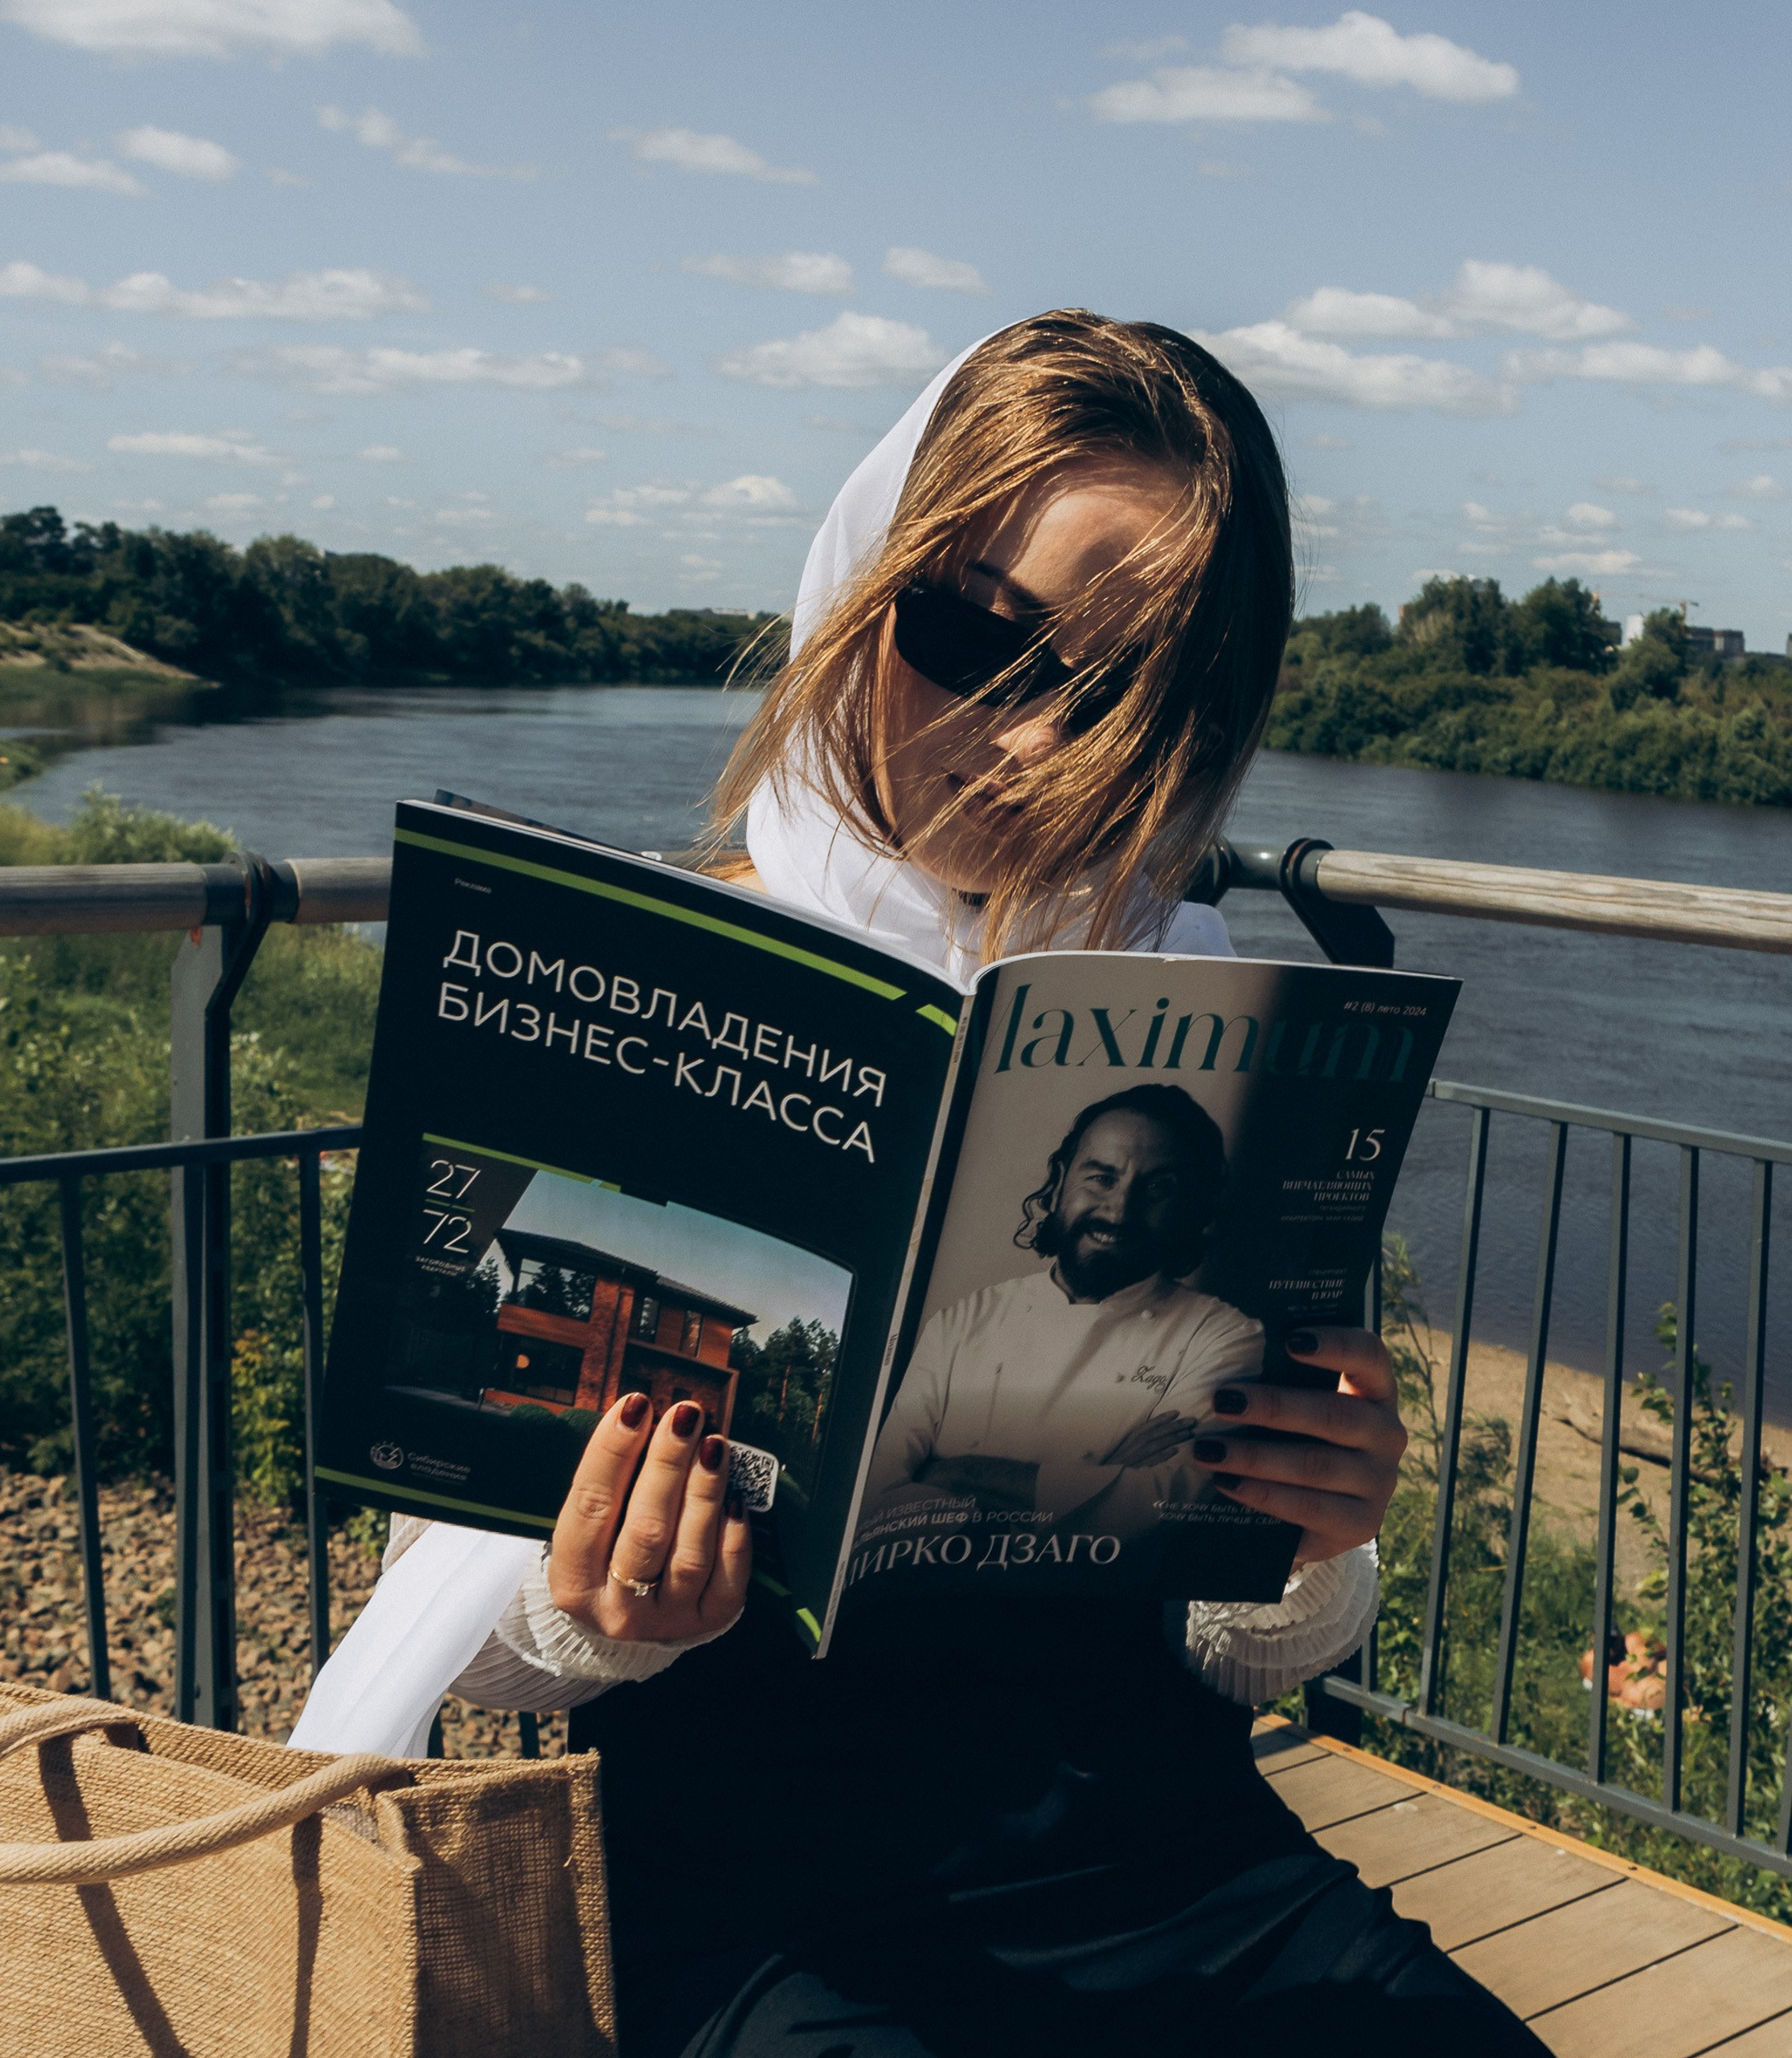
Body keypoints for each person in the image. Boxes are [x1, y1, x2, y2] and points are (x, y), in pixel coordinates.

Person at [292, 312, 1548, 2056]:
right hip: (756, 1899)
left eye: (1117, 689)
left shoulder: (1190, 1011)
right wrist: (590, 1609)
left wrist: (1310, 1534)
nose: (1026, 742)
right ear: (861, 587)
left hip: (1174, 1857)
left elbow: (1247, 1653)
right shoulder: (650, 990)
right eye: (972, 633)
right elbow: (484, 1643)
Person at [863, 1084, 1261, 1531]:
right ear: (1058, 1186)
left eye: (1159, 1188)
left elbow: (1157, 1510)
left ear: (1190, 1210)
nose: (1119, 1210)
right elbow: (878, 1502)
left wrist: (956, 1474)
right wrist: (1101, 1480)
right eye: (1102, 1177)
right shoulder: (962, 1321)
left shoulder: (1222, 1335)